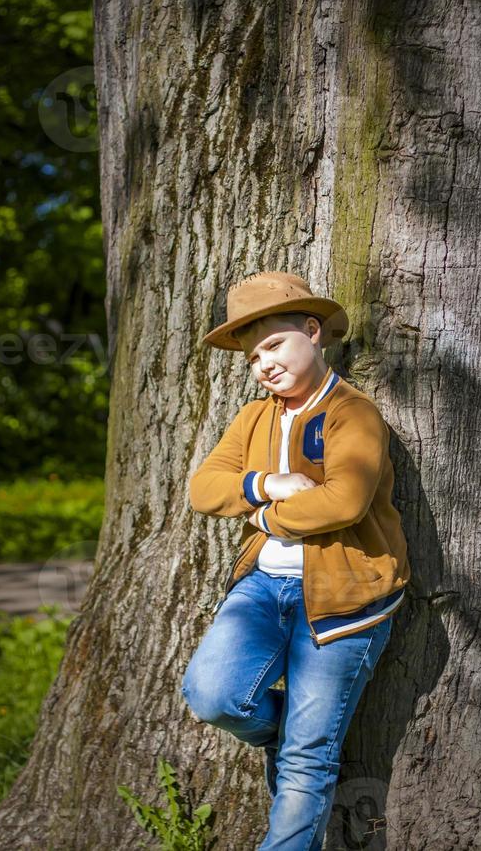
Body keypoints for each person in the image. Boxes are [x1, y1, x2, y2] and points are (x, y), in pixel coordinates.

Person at [181, 270, 411, 850]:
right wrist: (267, 482)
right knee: (213, 696)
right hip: (264, 588)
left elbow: (344, 501)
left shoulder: (351, 413)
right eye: (253, 356)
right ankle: (298, 728)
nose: (263, 364)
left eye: (274, 345)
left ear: (312, 331)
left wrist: (260, 515)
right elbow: (204, 489)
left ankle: (306, 748)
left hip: (345, 597)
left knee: (308, 766)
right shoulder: (254, 418)